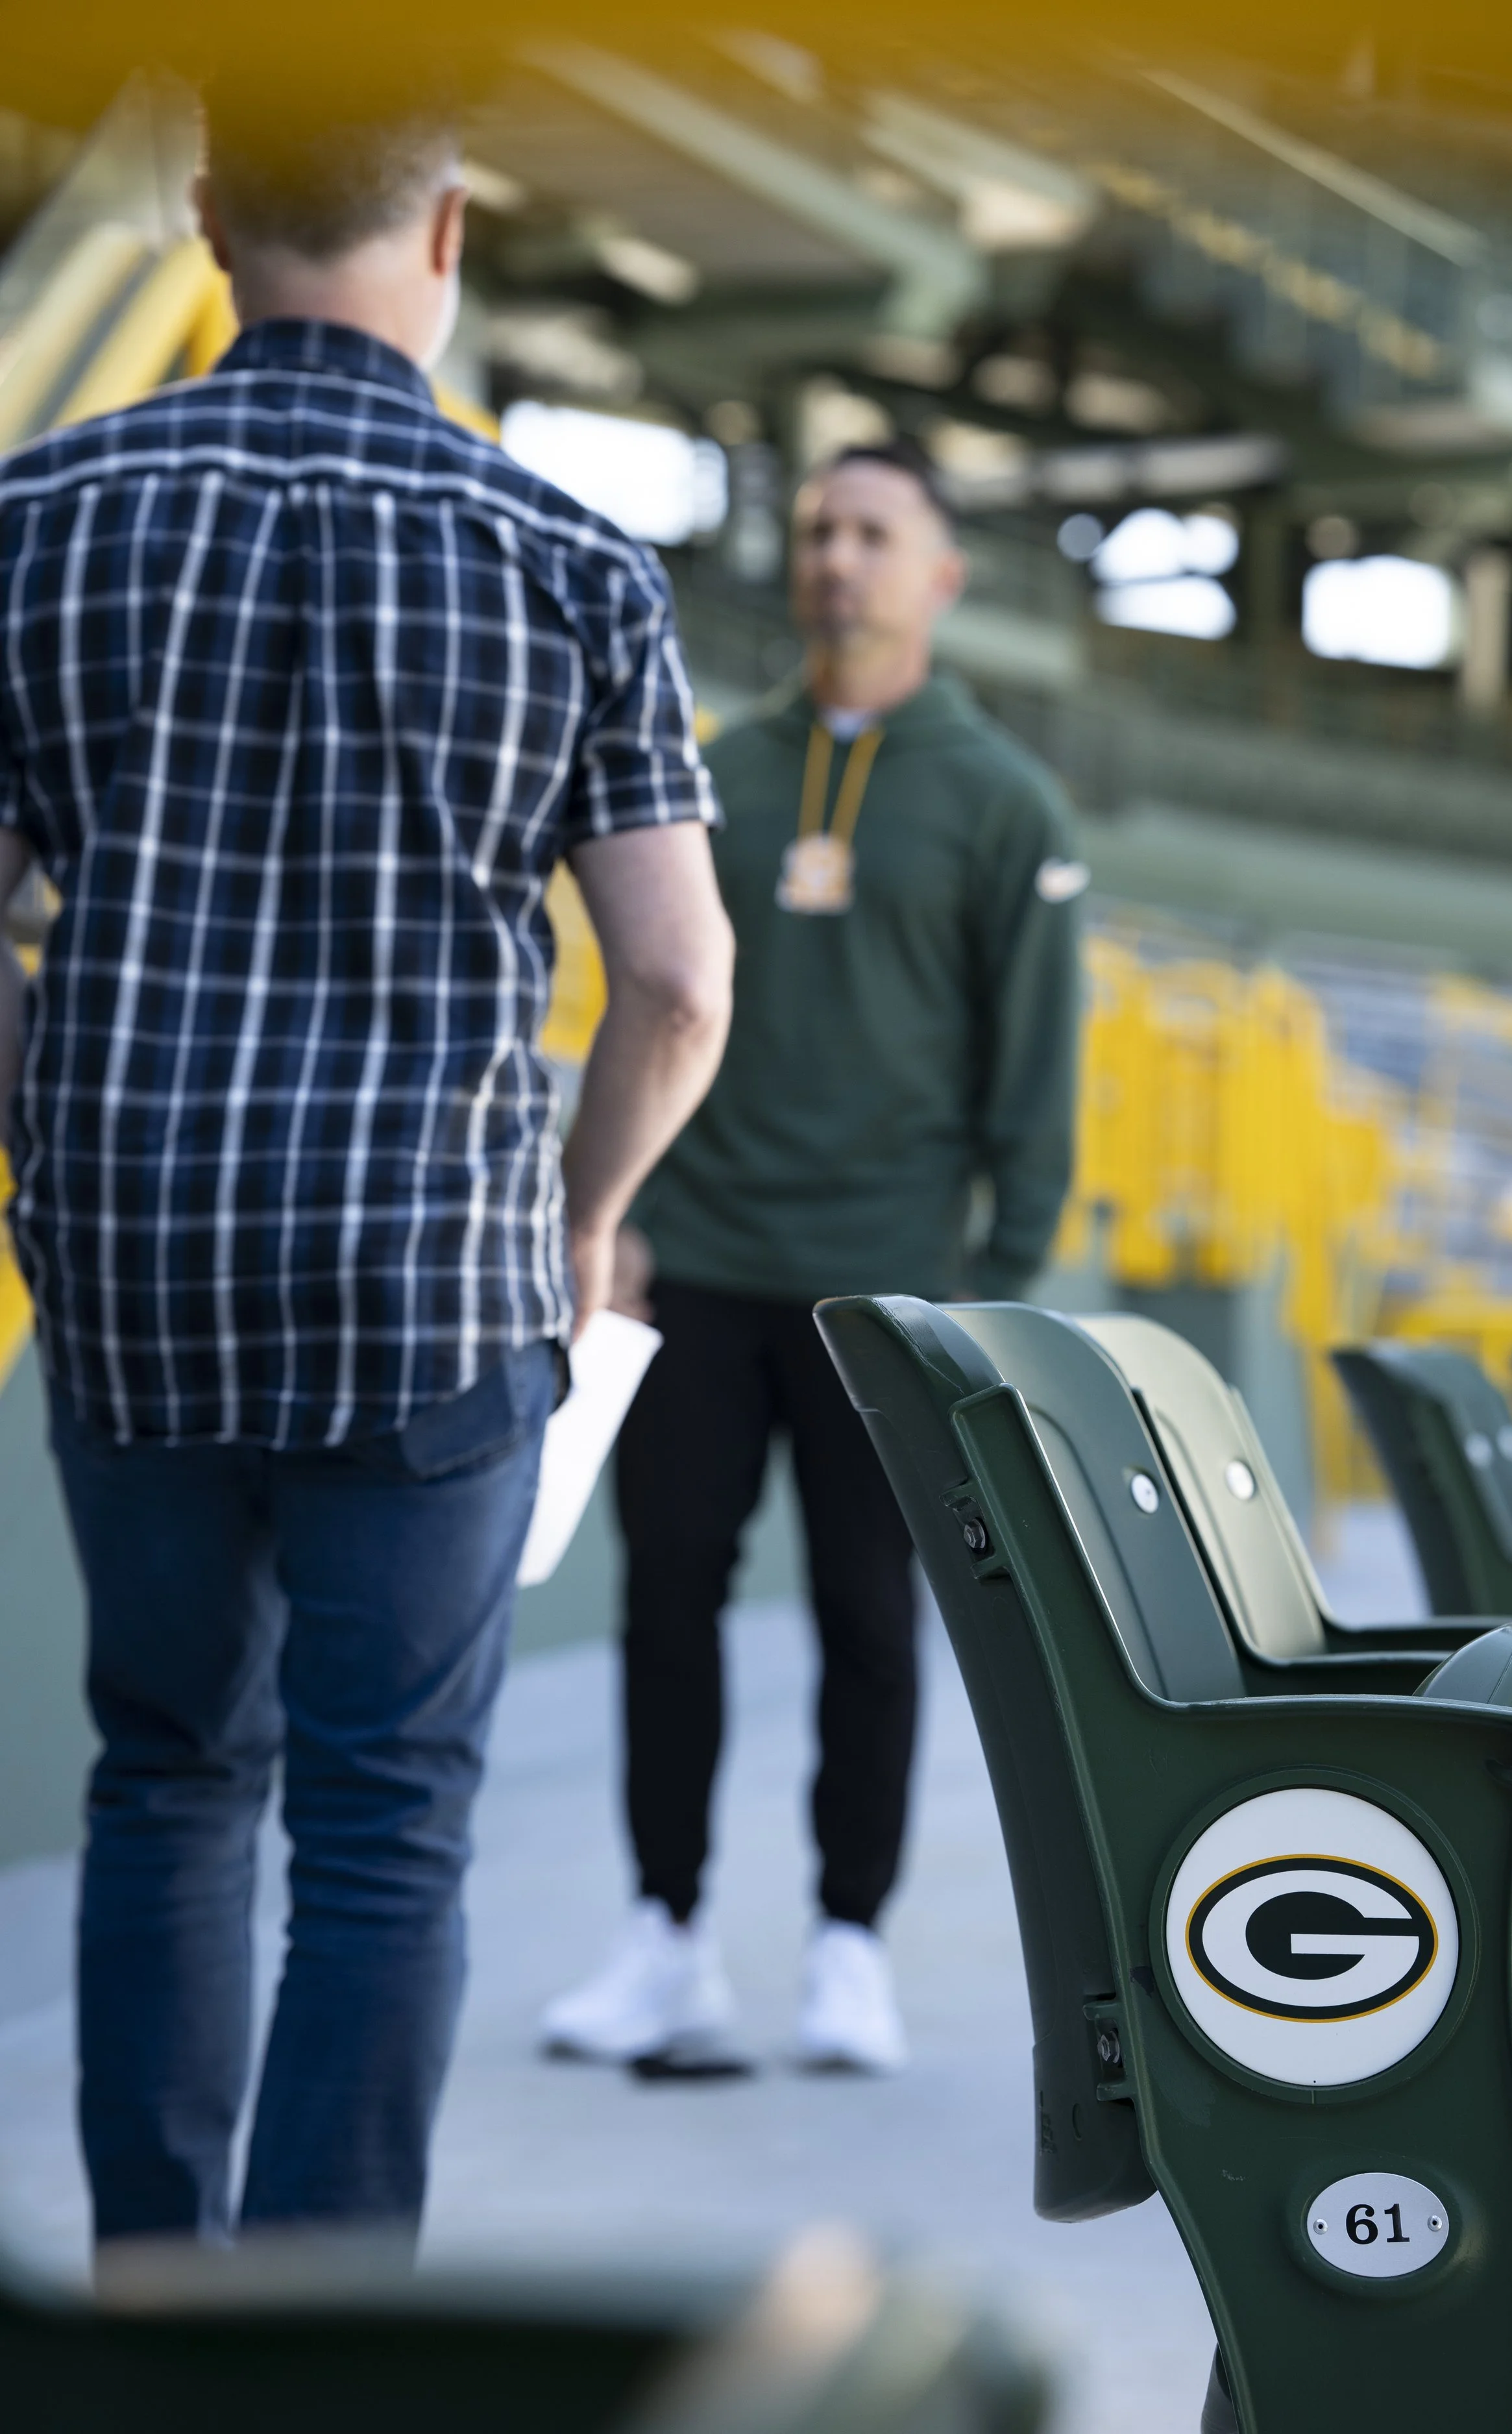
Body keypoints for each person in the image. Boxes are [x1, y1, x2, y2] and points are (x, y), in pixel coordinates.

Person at [0, 101, 733, 2246]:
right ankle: (317, 2357)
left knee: (165, 1781)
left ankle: (148, 2299)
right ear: (448, 226)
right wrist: (582, 1226)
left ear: (210, 219)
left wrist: (49, 1136)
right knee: (388, 1831)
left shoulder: (33, 517)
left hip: (135, 1272)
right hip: (432, 1286)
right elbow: (679, 983)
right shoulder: (575, 559)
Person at [542, 440, 1086, 2076]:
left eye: (872, 533)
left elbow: (1033, 1069)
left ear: (938, 574)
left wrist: (998, 1280)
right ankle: (663, 1937)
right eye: (817, 530)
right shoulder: (721, 768)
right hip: (694, 1258)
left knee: (868, 1616)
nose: (835, 558)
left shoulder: (1000, 799)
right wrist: (620, 1205)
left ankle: (849, 1946)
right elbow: (653, 994)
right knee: (668, 1602)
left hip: (886, 1291)